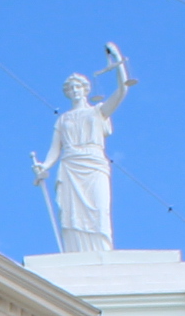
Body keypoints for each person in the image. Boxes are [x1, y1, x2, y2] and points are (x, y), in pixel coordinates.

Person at [32, 43, 134, 257]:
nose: (75, 91)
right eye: (71, 89)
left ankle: (103, 251)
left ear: (86, 89)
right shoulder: (63, 119)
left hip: (93, 163)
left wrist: (118, 62)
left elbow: (122, 90)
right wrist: (44, 166)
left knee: (98, 210)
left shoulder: (98, 111)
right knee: (71, 214)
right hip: (70, 165)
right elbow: (55, 149)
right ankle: (75, 252)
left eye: (78, 87)